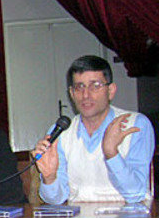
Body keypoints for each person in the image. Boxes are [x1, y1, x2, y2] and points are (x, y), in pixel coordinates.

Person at [33, 55, 154, 204]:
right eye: (79, 87)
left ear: (110, 90)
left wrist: (111, 153)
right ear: (71, 93)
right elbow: (56, 200)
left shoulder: (136, 125)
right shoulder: (61, 131)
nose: (86, 95)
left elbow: (136, 195)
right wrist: (49, 177)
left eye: (95, 86)